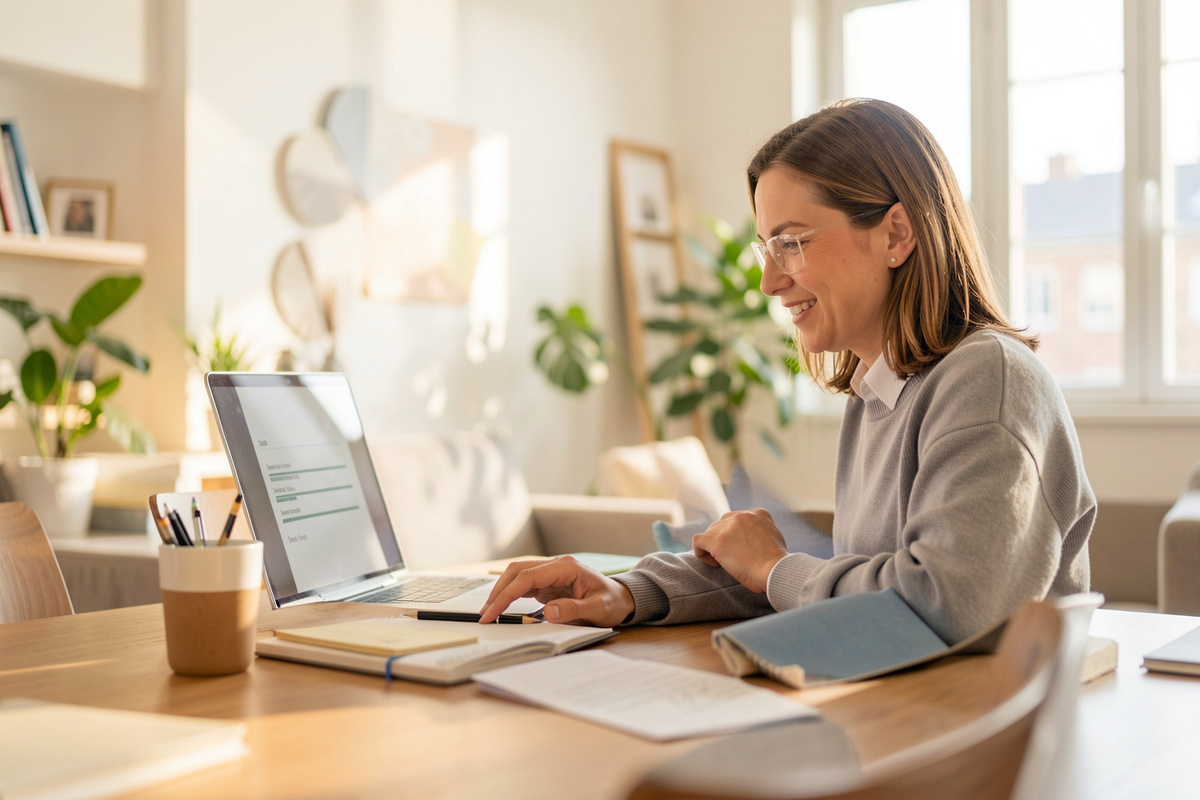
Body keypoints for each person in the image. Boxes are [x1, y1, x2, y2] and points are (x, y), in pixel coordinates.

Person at [480, 98, 1095, 644]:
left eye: (792, 243)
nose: (770, 281)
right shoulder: (879, 394)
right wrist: (630, 592)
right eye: (766, 249)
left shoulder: (988, 379)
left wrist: (774, 566)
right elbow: (848, 586)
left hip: (979, 727)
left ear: (896, 234)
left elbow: (945, 604)